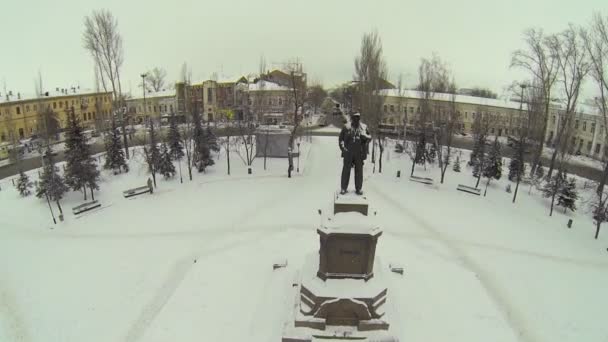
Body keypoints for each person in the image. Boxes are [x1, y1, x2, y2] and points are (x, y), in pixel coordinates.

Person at [339, 112, 370, 195]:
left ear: (359, 119)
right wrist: (343, 149)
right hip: (348, 152)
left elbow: (369, 138)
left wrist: (365, 138)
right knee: (346, 170)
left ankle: (358, 188)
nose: (356, 120)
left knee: (359, 172)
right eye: (354, 118)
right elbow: (341, 139)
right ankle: (343, 188)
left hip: (359, 154)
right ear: (352, 118)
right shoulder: (346, 127)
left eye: (357, 118)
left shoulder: (363, 128)